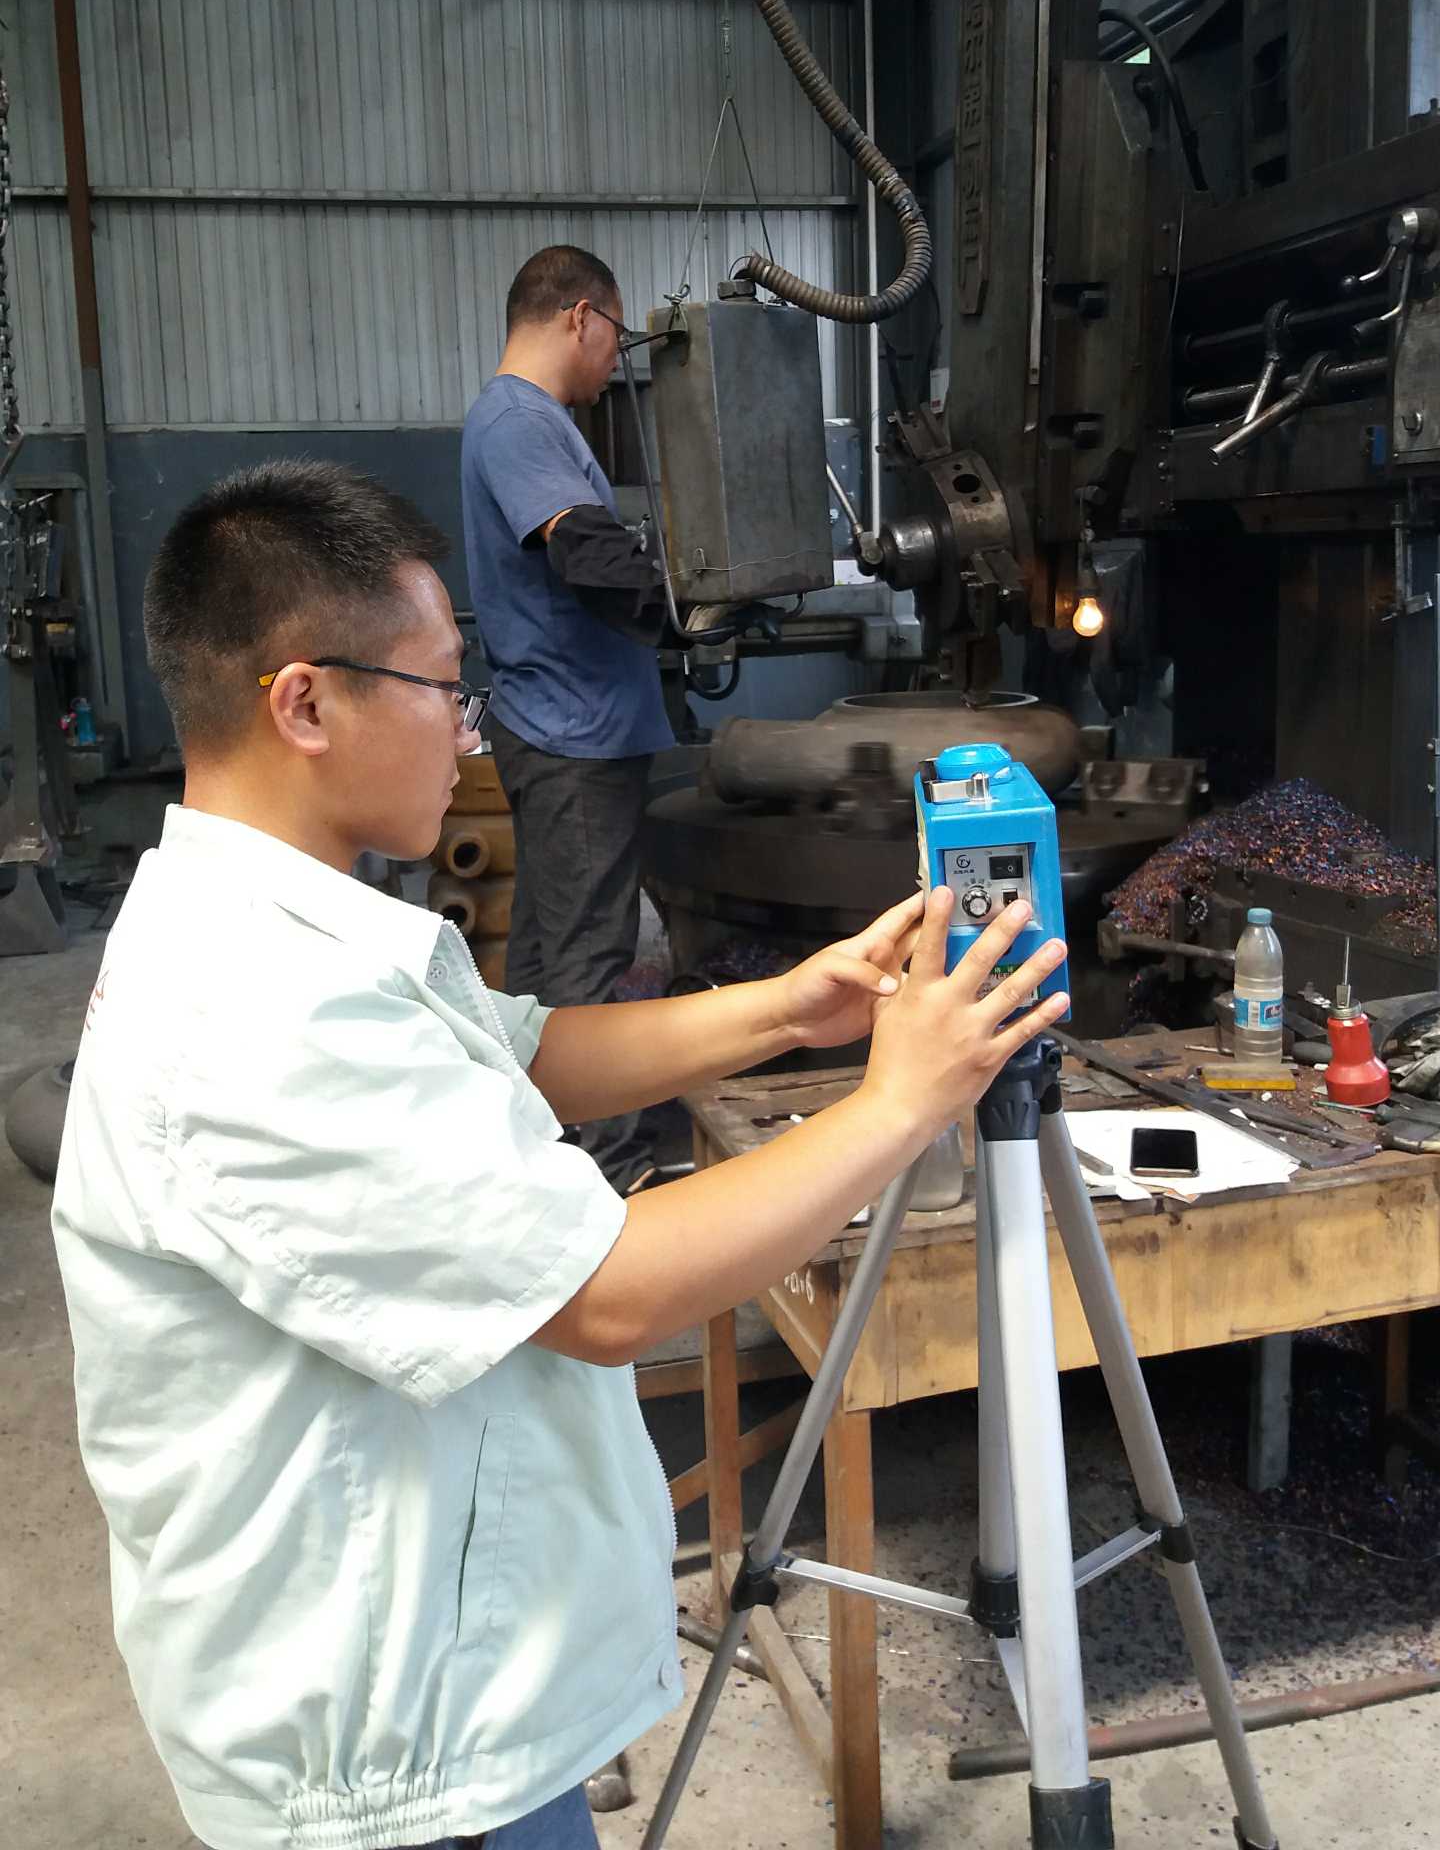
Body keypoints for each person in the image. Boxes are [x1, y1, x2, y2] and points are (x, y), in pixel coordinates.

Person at [52, 460, 1068, 1850]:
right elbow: (608, 1296)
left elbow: (520, 1051)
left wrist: (789, 1010)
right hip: (393, 1763)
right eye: (442, 689)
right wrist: (897, 1105)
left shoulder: (289, 927)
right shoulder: (258, 1009)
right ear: (305, 703)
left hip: (443, 1680)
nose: (466, 734)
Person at [461, 244, 671, 1196]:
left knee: (545, 952)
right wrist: (680, 605)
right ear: (580, 316)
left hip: (566, 724)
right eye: (614, 336)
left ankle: (535, 1147)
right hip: (573, 733)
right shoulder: (518, 418)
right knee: (591, 958)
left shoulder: (525, 419)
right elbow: (582, 552)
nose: (613, 361)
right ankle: (609, 1173)